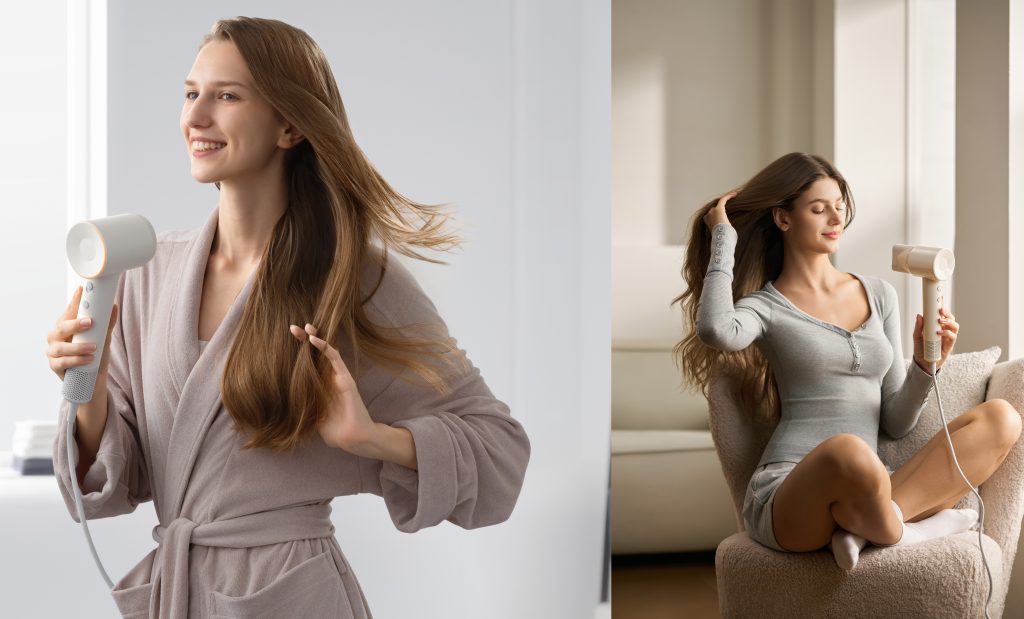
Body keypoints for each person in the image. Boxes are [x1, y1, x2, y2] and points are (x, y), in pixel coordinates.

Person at [46, 16, 530, 618]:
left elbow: (500, 453)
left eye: (227, 96)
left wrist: (372, 438)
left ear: (290, 125)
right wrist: (87, 384)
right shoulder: (147, 274)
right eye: (191, 94)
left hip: (292, 594)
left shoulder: (352, 278)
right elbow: (110, 480)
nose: (196, 117)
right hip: (179, 592)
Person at [674, 152, 1020, 570]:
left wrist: (925, 366)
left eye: (839, 206)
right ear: (783, 219)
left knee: (1002, 418)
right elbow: (715, 330)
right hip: (791, 494)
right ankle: (910, 531)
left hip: (868, 488)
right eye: (819, 209)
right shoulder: (766, 306)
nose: (836, 218)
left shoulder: (879, 294)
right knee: (848, 450)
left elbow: (895, 422)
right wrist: (722, 238)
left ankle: (866, 528)